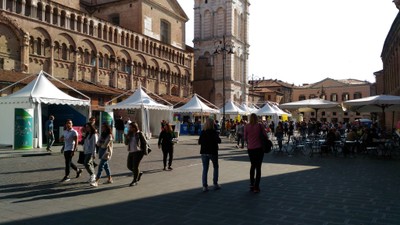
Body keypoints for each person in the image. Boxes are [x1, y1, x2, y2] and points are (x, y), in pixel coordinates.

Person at [244, 113, 266, 193]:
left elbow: (245, 137)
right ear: (257, 118)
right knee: (258, 167)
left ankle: (251, 184)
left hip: (250, 148)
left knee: (252, 166)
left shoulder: (247, 126)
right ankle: (256, 187)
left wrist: (250, 140)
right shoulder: (260, 125)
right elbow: (265, 135)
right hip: (259, 149)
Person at [198, 118, 221, 192]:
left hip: (204, 152)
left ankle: (204, 186)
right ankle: (215, 184)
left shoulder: (203, 132)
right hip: (212, 151)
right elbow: (219, 141)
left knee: (205, 168)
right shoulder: (214, 132)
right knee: (215, 167)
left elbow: (199, 142)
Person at [125, 122, 147, 186]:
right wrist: (127, 138)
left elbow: (145, 142)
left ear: (135, 127)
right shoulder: (130, 134)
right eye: (130, 127)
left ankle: (135, 181)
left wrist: (144, 152)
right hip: (131, 151)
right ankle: (138, 173)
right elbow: (126, 143)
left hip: (138, 152)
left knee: (135, 166)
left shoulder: (140, 133)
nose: (130, 128)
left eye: (131, 127)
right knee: (129, 166)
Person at [93, 122, 114, 187]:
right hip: (101, 151)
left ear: (106, 128)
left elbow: (105, 145)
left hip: (106, 152)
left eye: (103, 127)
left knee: (100, 166)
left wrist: (101, 143)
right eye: (102, 127)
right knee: (106, 166)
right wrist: (101, 143)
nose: (102, 128)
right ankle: (110, 179)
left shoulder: (109, 135)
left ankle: (96, 181)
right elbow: (98, 143)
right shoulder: (102, 134)